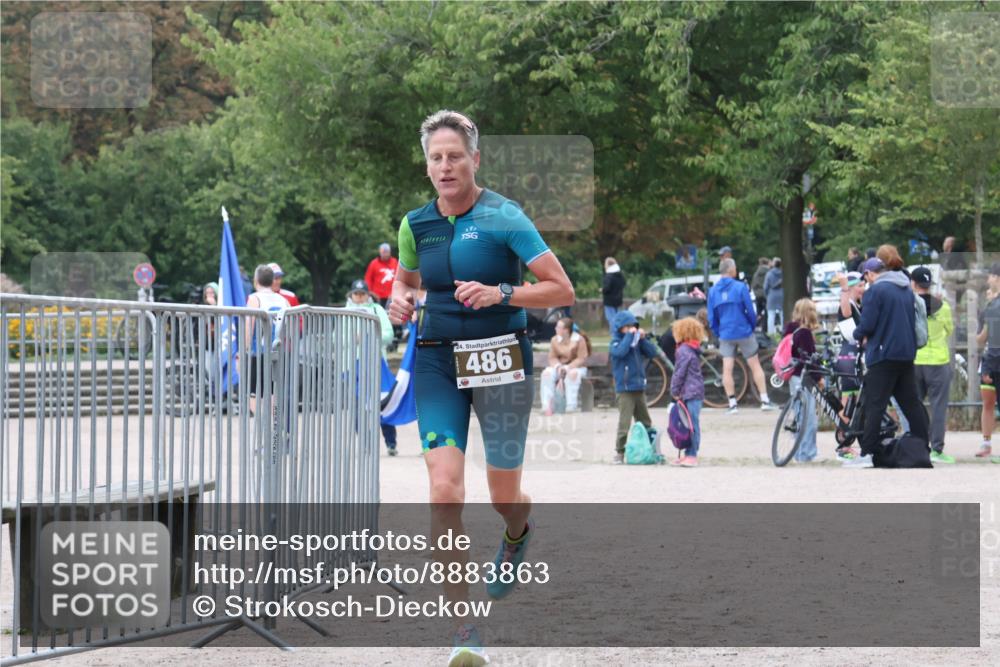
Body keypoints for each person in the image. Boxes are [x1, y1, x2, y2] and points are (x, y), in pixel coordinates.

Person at [386, 109, 575, 667]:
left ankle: (518, 530)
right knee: (444, 492)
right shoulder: (415, 224)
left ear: (474, 160)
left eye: (454, 156)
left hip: (500, 364)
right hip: (437, 363)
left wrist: (502, 294)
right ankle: (464, 630)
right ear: (427, 167)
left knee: (501, 497)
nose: (445, 166)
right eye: (435, 158)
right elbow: (407, 280)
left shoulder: (504, 217)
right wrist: (398, 298)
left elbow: (560, 289)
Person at [852, 249, 930, 459]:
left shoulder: (876, 291)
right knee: (911, 403)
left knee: (875, 405)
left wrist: (856, 334)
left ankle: (867, 453)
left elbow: (868, 324)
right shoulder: (905, 289)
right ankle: (924, 447)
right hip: (906, 353)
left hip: (883, 353)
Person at [708, 258, 776, 414]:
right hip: (743, 330)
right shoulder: (740, 287)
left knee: (727, 369)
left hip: (725, 333)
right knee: (755, 365)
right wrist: (751, 327)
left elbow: (712, 318)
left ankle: (732, 404)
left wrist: (719, 332)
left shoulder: (713, 291)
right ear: (731, 270)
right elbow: (750, 312)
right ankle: (764, 400)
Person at [345, 279, 398, 456]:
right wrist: (352, 338)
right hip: (352, 364)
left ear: (368, 295)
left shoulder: (377, 309)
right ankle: (366, 443)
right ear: (351, 295)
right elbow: (337, 338)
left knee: (382, 402)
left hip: (375, 363)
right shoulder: (344, 312)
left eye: (362, 294)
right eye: (356, 294)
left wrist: (369, 336)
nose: (359, 297)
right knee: (357, 404)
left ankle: (391, 441)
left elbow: (389, 335)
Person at [911, 267, 955, 463]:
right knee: (938, 407)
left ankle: (918, 446)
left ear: (913, 283)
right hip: (938, 360)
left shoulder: (909, 305)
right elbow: (949, 330)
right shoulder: (943, 306)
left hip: (915, 360)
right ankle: (937, 449)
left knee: (914, 406)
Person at [610, 310, 659, 465]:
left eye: (633, 326)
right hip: (624, 389)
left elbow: (652, 353)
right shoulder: (615, 343)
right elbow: (620, 352)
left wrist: (643, 340)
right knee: (624, 423)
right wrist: (629, 336)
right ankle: (620, 452)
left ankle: (651, 449)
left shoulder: (637, 343)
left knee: (645, 421)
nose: (632, 329)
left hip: (638, 387)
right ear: (619, 328)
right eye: (628, 326)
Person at [240, 265, 288, 416]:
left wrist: (244, 350)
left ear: (256, 280)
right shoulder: (283, 300)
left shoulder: (254, 298)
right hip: (278, 351)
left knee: (254, 391)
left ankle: (260, 425)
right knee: (274, 390)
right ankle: (273, 425)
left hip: (258, 352)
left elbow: (249, 326)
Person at [785, 299, 822, 463]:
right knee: (809, 419)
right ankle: (807, 453)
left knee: (800, 416)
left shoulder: (790, 331)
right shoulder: (805, 333)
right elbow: (810, 360)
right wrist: (819, 378)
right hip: (804, 378)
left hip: (793, 377)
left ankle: (799, 453)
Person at [834, 271, 865, 460]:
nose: (863, 289)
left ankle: (847, 443)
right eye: (860, 286)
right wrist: (844, 288)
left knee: (852, 403)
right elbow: (845, 312)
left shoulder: (857, 305)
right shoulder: (848, 304)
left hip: (855, 357)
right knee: (847, 404)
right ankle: (843, 446)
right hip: (848, 359)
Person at [669, 317, 706, 467]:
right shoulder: (692, 348)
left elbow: (679, 372)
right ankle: (688, 454)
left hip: (690, 393)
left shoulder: (683, 350)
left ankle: (692, 455)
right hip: (693, 392)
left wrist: (674, 389)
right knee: (688, 423)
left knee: (690, 424)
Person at [540, 317, 590, 415]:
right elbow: (552, 357)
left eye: (558, 327)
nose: (555, 328)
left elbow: (581, 358)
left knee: (572, 375)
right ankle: (547, 406)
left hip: (577, 368)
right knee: (546, 374)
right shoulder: (554, 340)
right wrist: (558, 366)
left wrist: (568, 367)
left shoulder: (579, 339)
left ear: (566, 330)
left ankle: (571, 406)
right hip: (559, 367)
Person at [975, 262, 1000, 460]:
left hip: (994, 359)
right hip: (991, 358)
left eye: (990, 276)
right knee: (988, 402)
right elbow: (982, 337)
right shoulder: (991, 304)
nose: (988, 280)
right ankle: (986, 442)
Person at [365, 243, 399, 307]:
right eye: (384, 252)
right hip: (377, 297)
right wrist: (371, 293)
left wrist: (395, 292)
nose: (385, 254)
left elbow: (398, 277)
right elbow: (368, 279)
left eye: (387, 252)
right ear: (380, 252)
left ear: (390, 252)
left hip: (391, 296)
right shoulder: (374, 263)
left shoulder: (395, 262)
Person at [601, 257, 626, 334]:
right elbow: (623, 284)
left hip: (609, 301)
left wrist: (602, 290)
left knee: (611, 318)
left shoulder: (609, 276)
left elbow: (607, 288)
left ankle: (614, 333)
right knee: (618, 318)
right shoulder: (620, 275)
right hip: (619, 299)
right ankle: (620, 332)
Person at [763, 258, 784, 335]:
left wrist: (766, 295)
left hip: (771, 295)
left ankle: (771, 333)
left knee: (771, 315)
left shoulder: (769, 274)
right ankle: (784, 330)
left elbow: (765, 287)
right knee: (783, 314)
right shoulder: (784, 273)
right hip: (782, 294)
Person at [750, 257, 771, 329]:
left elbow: (753, 285)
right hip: (767, 294)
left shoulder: (756, 273)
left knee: (759, 311)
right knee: (767, 311)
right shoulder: (769, 272)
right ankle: (765, 327)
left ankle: (757, 324)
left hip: (758, 294)